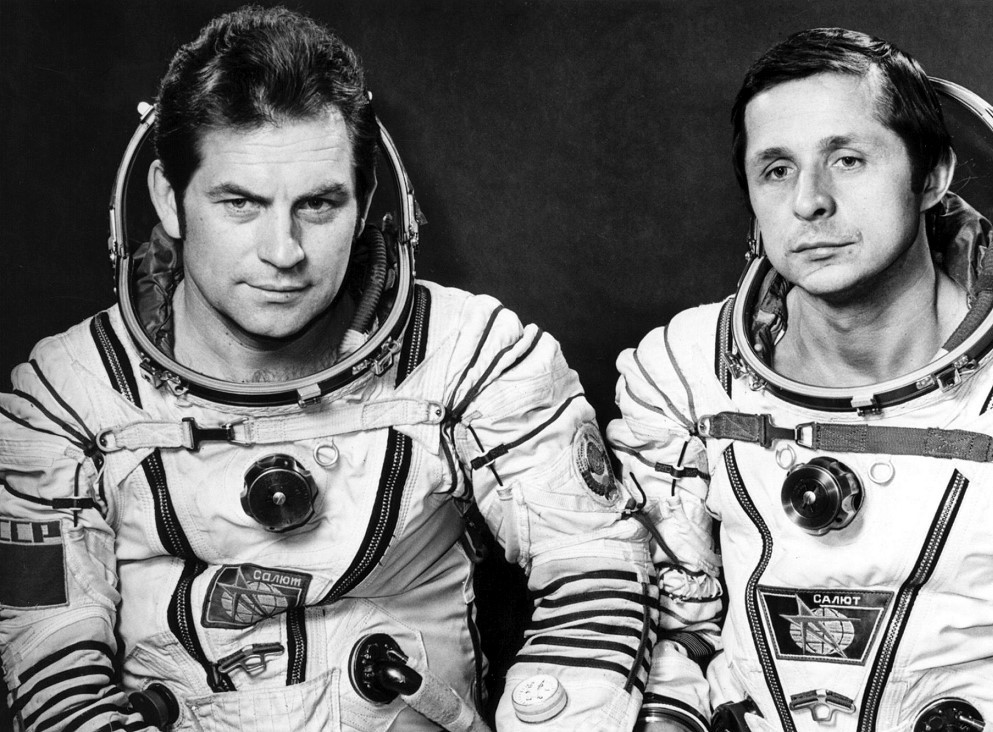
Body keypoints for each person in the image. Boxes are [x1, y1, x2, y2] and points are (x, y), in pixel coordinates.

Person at [0, 7, 654, 731]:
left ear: (365, 202)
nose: (283, 251)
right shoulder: (66, 400)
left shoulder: (474, 357)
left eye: (317, 204)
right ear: (168, 199)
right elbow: (56, 675)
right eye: (240, 203)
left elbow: (597, 569)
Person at [608, 27, 993, 732]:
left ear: (931, 177)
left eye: (847, 160)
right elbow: (665, 636)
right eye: (777, 170)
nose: (810, 202)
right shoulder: (686, 371)